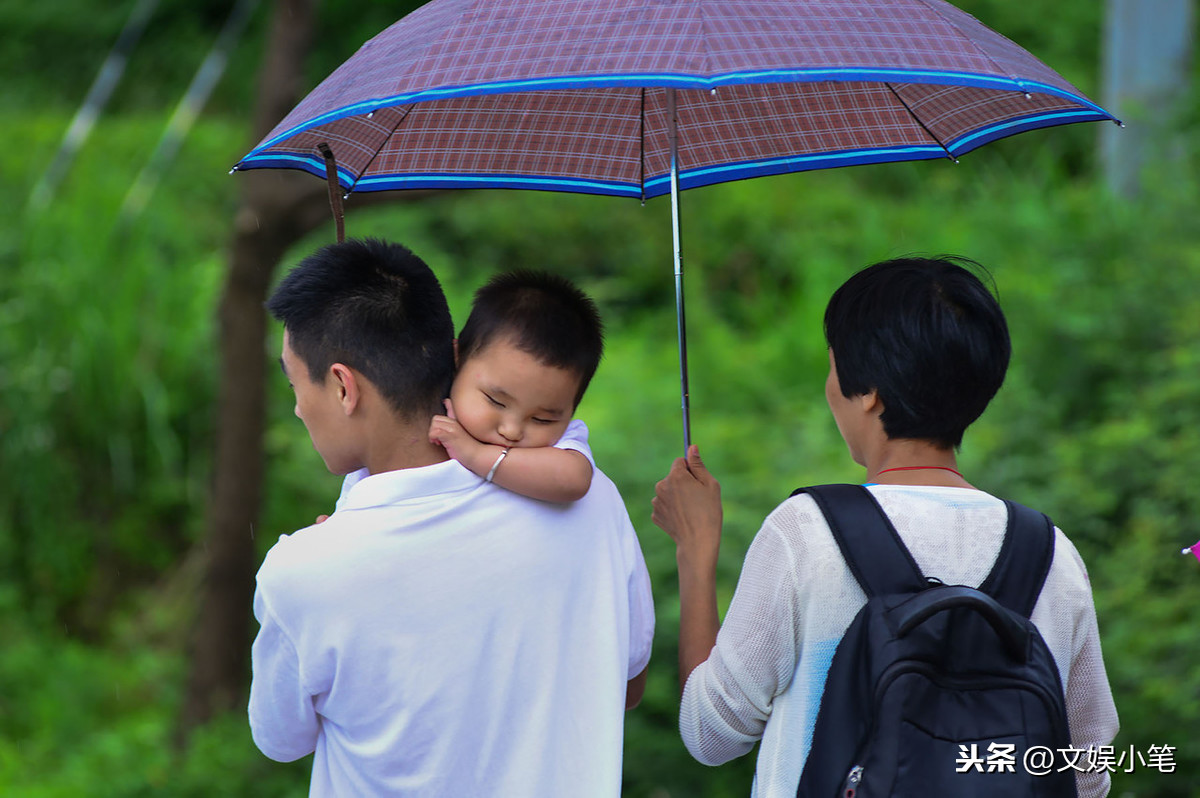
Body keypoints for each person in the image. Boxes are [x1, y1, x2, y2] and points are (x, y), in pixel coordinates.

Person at [652, 256, 1119, 797]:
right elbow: (1086, 771)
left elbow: (712, 734)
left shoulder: (807, 534)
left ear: (868, 389)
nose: (830, 385)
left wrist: (695, 547)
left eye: (832, 367)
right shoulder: (1050, 554)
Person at [249, 238, 654, 797]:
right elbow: (626, 684)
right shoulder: (592, 501)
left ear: (344, 386)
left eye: (296, 384)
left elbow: (281, 738)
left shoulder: (300, 573)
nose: (297, 406)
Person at [338, 269, 603, 506]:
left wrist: (477, 454)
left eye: (542, 419)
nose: (511, 431)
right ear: (457, 358)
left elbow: (573, 480)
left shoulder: (563, 446)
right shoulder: (421, 414)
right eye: (496, 401)